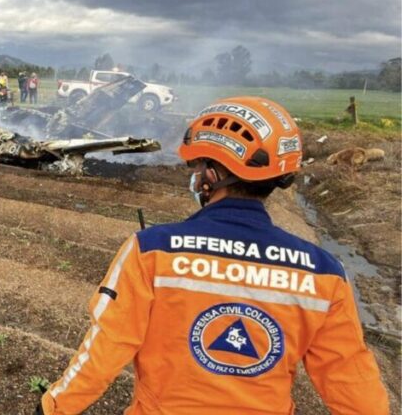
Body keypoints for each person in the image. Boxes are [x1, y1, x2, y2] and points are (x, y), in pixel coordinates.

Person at [38, 97, 389, 415]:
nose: (193, 176)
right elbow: (352, 381)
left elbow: (105, 350)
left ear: (211, 175)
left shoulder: (152, 250)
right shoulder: (324, 272)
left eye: (197, 166)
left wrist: (53, 409)